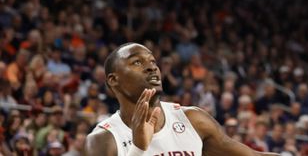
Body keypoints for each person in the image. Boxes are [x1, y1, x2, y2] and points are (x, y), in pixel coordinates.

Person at [84, 42, 279, 155]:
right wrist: (137, 149)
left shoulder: (193, 119)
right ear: (113, 80)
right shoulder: (104, 140)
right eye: (137, 62)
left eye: (153, 61)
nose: (152, 67)